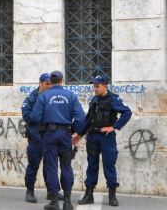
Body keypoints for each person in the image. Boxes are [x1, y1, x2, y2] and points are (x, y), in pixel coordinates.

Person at [73, 75, 132, 207]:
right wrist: (79, 134)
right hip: (93, 136)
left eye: (97, 86)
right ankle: (89, 195)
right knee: (92, 166)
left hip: (106, 137)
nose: (95, 89)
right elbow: (88, 119)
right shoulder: (94, 100)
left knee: (109, 164)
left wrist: (114, 127)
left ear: (105, 86)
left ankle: (112, 196)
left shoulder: (113, 99)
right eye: (94, 86)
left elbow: (127, 112)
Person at [32, 70, 85, 210]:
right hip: (66, 135)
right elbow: (80, 118)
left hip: (49, 135)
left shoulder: (44, 96)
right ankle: (67, 202)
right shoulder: (71, 95)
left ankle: (54, 201)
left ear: (50, 81)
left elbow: (35, 117)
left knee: (51, 166)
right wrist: (74, 130)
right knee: (66, 165)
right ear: (62, 81)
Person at [21, 73, 64, 203]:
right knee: (33, 165)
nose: (49, 86)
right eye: (47, 84)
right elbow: (27, 116)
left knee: (50, 166)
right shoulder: (31, 98)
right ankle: (30, 191)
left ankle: (51, 192)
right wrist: (40, 114)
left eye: (51, 83)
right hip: (36, 137)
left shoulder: (53, 97)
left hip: (50, 137)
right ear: (40, 83)